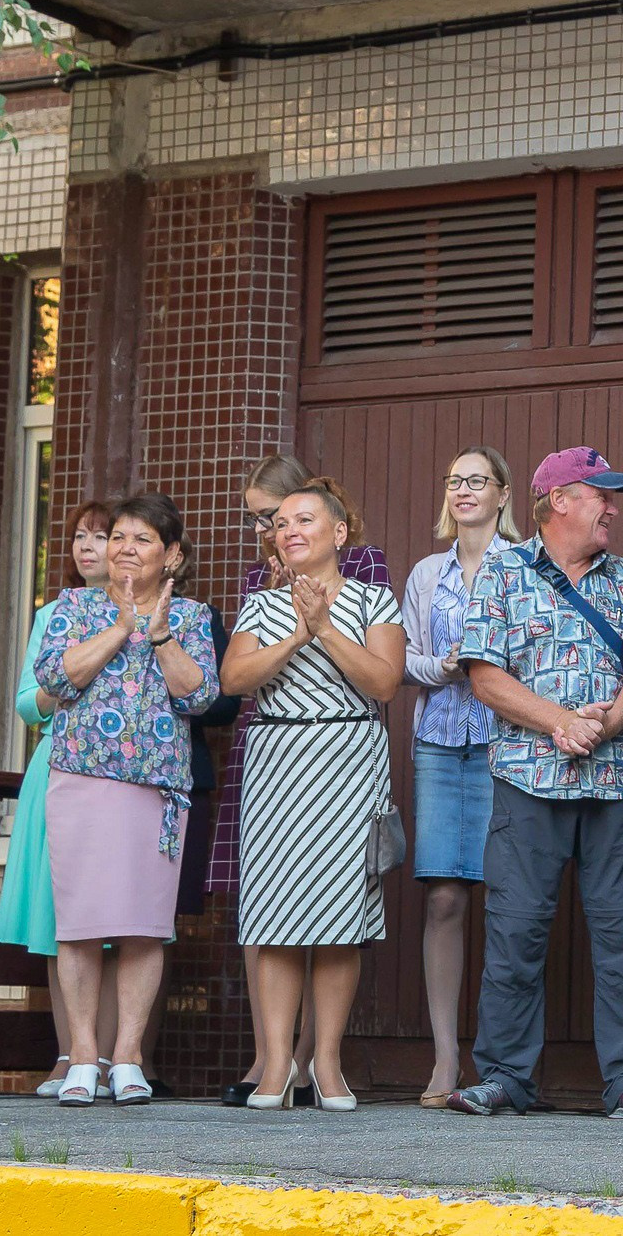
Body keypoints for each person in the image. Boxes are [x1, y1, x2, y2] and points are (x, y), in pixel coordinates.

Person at [448, 447, 623, 1122]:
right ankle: (505, 1079)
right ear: (559, 502)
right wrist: (560, 723)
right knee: (514, 933)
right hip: (527, 782)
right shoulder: (503, 572)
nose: (612, 506)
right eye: (600, 494)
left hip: (615, 785)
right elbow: (484, 675)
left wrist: (603, 726)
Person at [209, 453, 391, 1107]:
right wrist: (297, 632)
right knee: (277, 916)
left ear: (338, 533)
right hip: (277, 762)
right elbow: (233, 680)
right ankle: (279, 1065)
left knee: (340, 920)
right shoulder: (259, 604)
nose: (288, 531)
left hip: (349, 760)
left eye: (303, 519)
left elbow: (383, 681)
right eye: (280, 523)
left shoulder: (375, 598)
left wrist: (327, 629)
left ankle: (329, 1065)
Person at [32, 492, 220, 1107]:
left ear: (173, 557)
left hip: (157, 788)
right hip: (82, 781)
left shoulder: (191, 618)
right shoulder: (73, 606)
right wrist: (121, 626)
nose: (125, 548)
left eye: (142, 539)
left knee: (144, 927)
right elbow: (56, 678)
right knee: (81, 926)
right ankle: (83, 1056)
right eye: (118, 537)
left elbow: (200, 698)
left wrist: (160, 636)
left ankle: (129, 1057)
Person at [400, 444, 520, 1107]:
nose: (464, 490)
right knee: (444, 898)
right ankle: (446, 1060)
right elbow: (406, 660)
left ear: (503, 495)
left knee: (509, 902)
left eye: (477, 480)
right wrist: (445, 666)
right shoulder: (425, 573)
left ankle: (498, 1058)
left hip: (508, 745)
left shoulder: (524, 566)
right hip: (442, 744)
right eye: (455, 480)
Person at [0, 499, 113, 1098]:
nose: (87, 546)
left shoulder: (159, 611)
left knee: (121, 922)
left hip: (128, 776)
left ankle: (119, 1059)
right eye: (79, 536)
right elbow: (25, 702)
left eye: (102, 534)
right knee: (59, 914)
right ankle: (69, 1054)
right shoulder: (54, 613)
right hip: (57, 765)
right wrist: (59, 690)